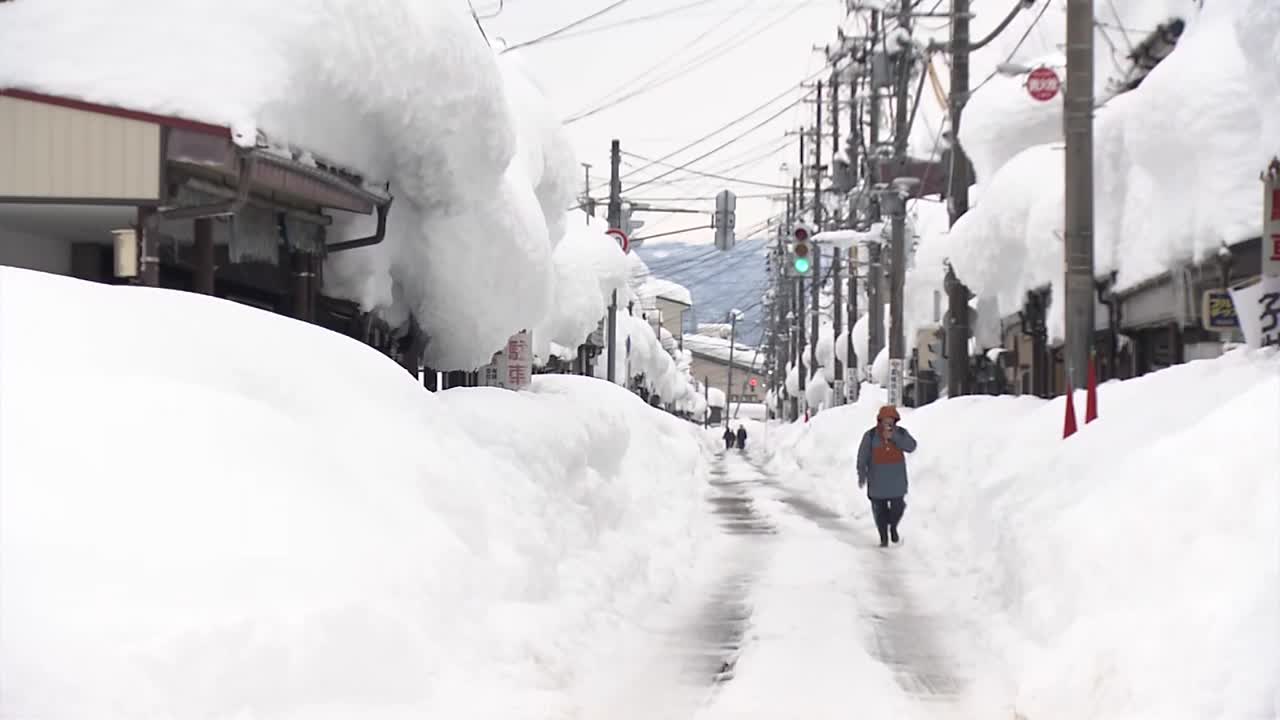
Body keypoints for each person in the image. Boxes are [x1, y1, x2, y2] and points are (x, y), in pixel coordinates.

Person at [856, 404, 918, 547]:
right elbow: (862, 457)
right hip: (877, 482)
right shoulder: (870, 436)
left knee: (899, 507)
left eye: (891, 420)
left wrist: (894, 436)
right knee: (879, 512)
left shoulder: (901, 433)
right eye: (885, 420)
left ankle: (893, 527)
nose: (888, 423)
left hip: (897, 482)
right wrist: (862, 474)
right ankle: (883, 537)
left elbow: (911, 446)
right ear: (880, 420)